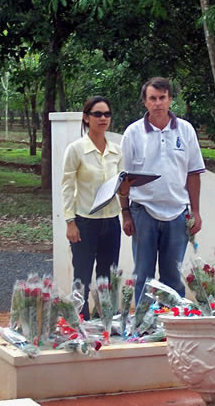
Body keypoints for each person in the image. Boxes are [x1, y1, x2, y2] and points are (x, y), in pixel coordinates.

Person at [120, 77, 206, 304]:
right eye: (152, 99)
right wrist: (126, 214)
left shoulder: (185, 131)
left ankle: (173, 324)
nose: (157, 103)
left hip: (177, 214)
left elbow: (193, 173)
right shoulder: (133, 133)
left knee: (173, 277)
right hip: (143, 212)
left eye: (162, 98)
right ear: (145, 102)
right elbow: (124, 179)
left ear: (170, 100)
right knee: (143, 276)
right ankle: (143, 326)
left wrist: (195, 211)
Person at [61, 96, 132, 319]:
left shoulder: (116, 151)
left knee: (107, 276)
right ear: (86, 117)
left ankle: (105, 320)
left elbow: (120, 187)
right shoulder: (76, 149)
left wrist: (126, 191)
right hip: (84, 222)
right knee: (81, 276)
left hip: (110, 222)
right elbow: (67, 187)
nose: (103, 118)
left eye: (107, 114)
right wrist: (70, 221)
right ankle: (79, 320)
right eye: (97, 114)